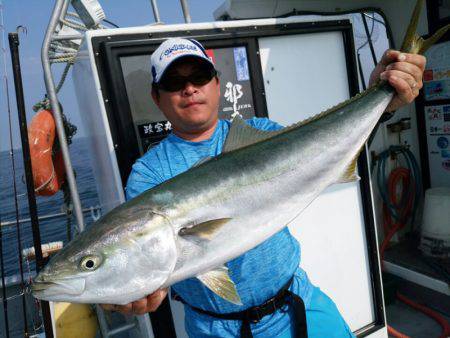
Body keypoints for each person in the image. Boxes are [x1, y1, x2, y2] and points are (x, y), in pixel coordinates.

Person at [101, 38, 426, 337]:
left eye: (199, 76)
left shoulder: (261, 133)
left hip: (297, 301)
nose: (190, 89)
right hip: (216, 328)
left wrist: (383, 102)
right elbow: (149, 255)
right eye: (174, 82)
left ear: (216, 84)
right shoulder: (149, 173)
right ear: (157, 98)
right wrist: (138, 288)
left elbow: (327, 153)